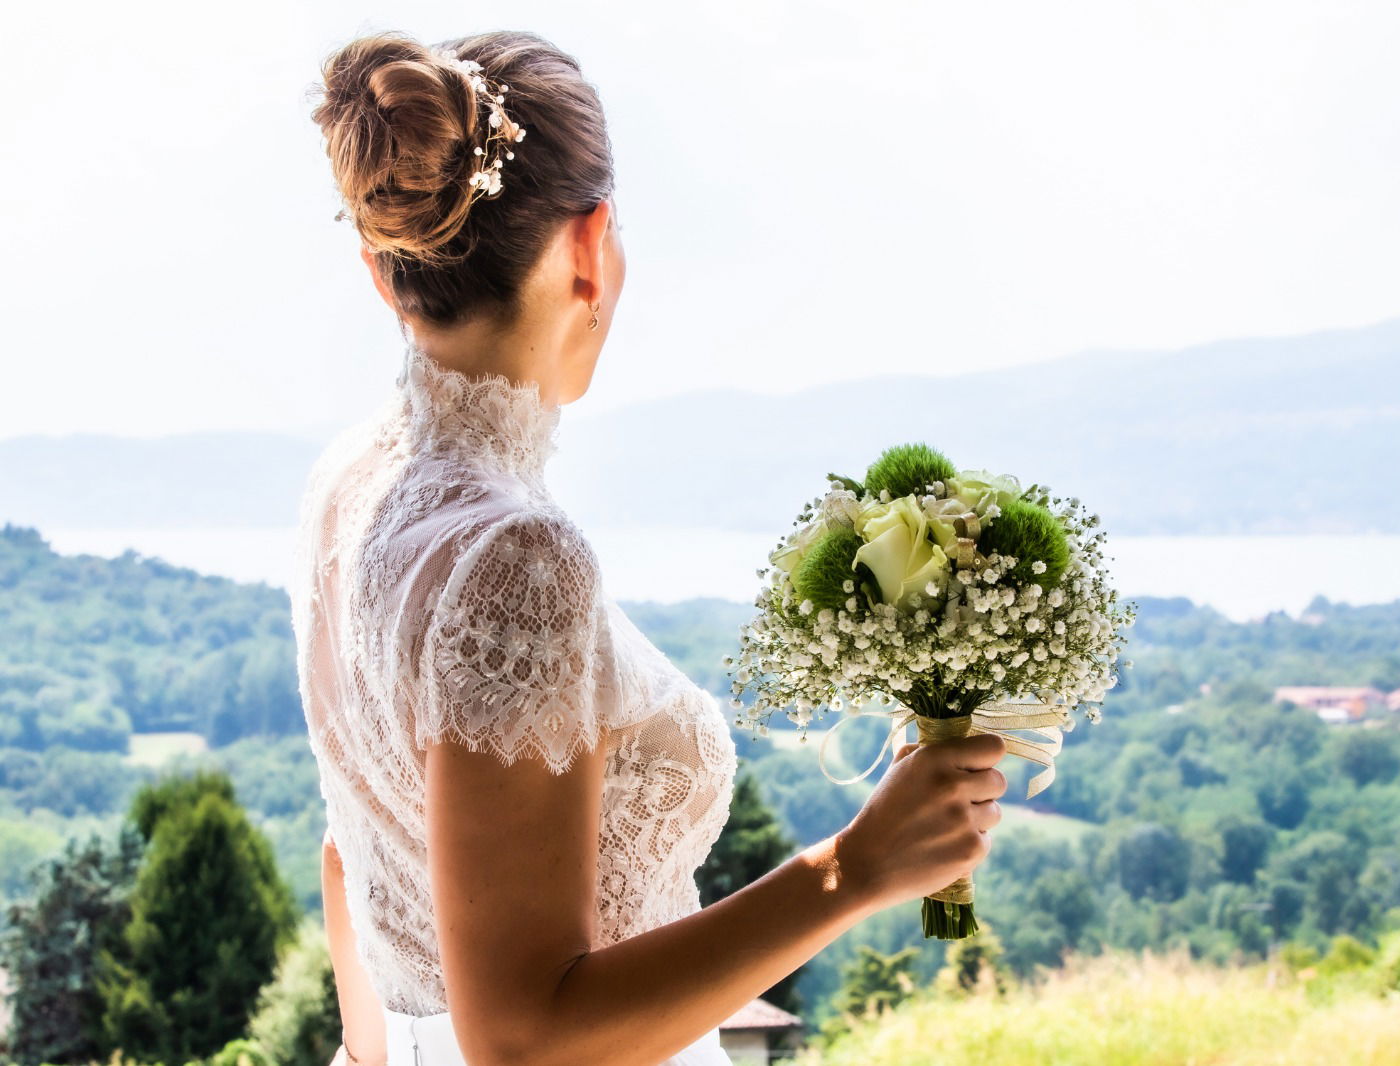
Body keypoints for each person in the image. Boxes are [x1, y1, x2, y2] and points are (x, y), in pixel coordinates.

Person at [293, 28, 1008, 1066]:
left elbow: (350, 854)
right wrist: (854, 867)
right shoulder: (516, 556)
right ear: (591, 248)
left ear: (379, 268)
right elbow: (524, 1036)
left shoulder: (347, 483)